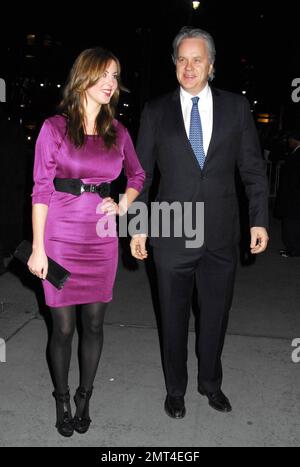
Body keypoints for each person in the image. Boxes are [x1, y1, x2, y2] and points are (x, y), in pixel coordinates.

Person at [130, 27, 269, 418]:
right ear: (174, 64)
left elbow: (253, 169)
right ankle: (176, 390)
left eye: (197, 59)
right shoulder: (156, 111)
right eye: (181, 59)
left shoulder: (237, 108)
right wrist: (139, 225)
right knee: (172, 319)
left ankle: (211, 384)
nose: (188, 67)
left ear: (211, 66)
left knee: (215, 316)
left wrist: (258, 220)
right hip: (171, 233)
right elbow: (142, 175)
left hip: (222, 235)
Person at [28, 47, 145, 437]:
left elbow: (137, 175)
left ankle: (85, 395)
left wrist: (123, 203)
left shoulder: (119, 132)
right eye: (104, 74)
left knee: (94, 325)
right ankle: (61, 398)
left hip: (101, 238)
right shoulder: (54, 128)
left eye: (116, 75)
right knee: (62, 328)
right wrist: (38, 246)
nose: (111, 82)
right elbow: (41, 190)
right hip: (59, 235)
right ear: (83, 77)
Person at [0, 103, 27, 274]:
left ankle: (15, 258)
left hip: (10, 185)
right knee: (11, 225)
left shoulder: (13, 130)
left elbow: (21, 158)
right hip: (11, 185)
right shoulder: (13, 129)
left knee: (11, 225)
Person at [276, 128, 300, 257]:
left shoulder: (296, 155)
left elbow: (294, 179)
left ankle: (293, 249)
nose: (288, 141)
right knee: (293, 224)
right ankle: (293, 248)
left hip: (293, 197)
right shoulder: (294, 153)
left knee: (291, 225)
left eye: (290, 139)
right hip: (294, 196)